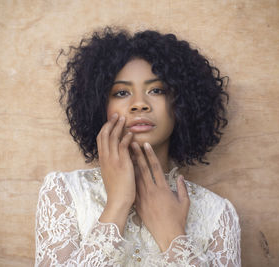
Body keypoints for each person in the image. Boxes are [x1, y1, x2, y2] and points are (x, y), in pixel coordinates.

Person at [35, 27, 241, 266]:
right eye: (121, 92)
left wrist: (172, 236)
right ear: (99, 106)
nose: (139, 104)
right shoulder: (64, 193)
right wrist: (118, 203)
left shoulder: (217, 214)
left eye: (156, 90)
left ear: (182, 104)